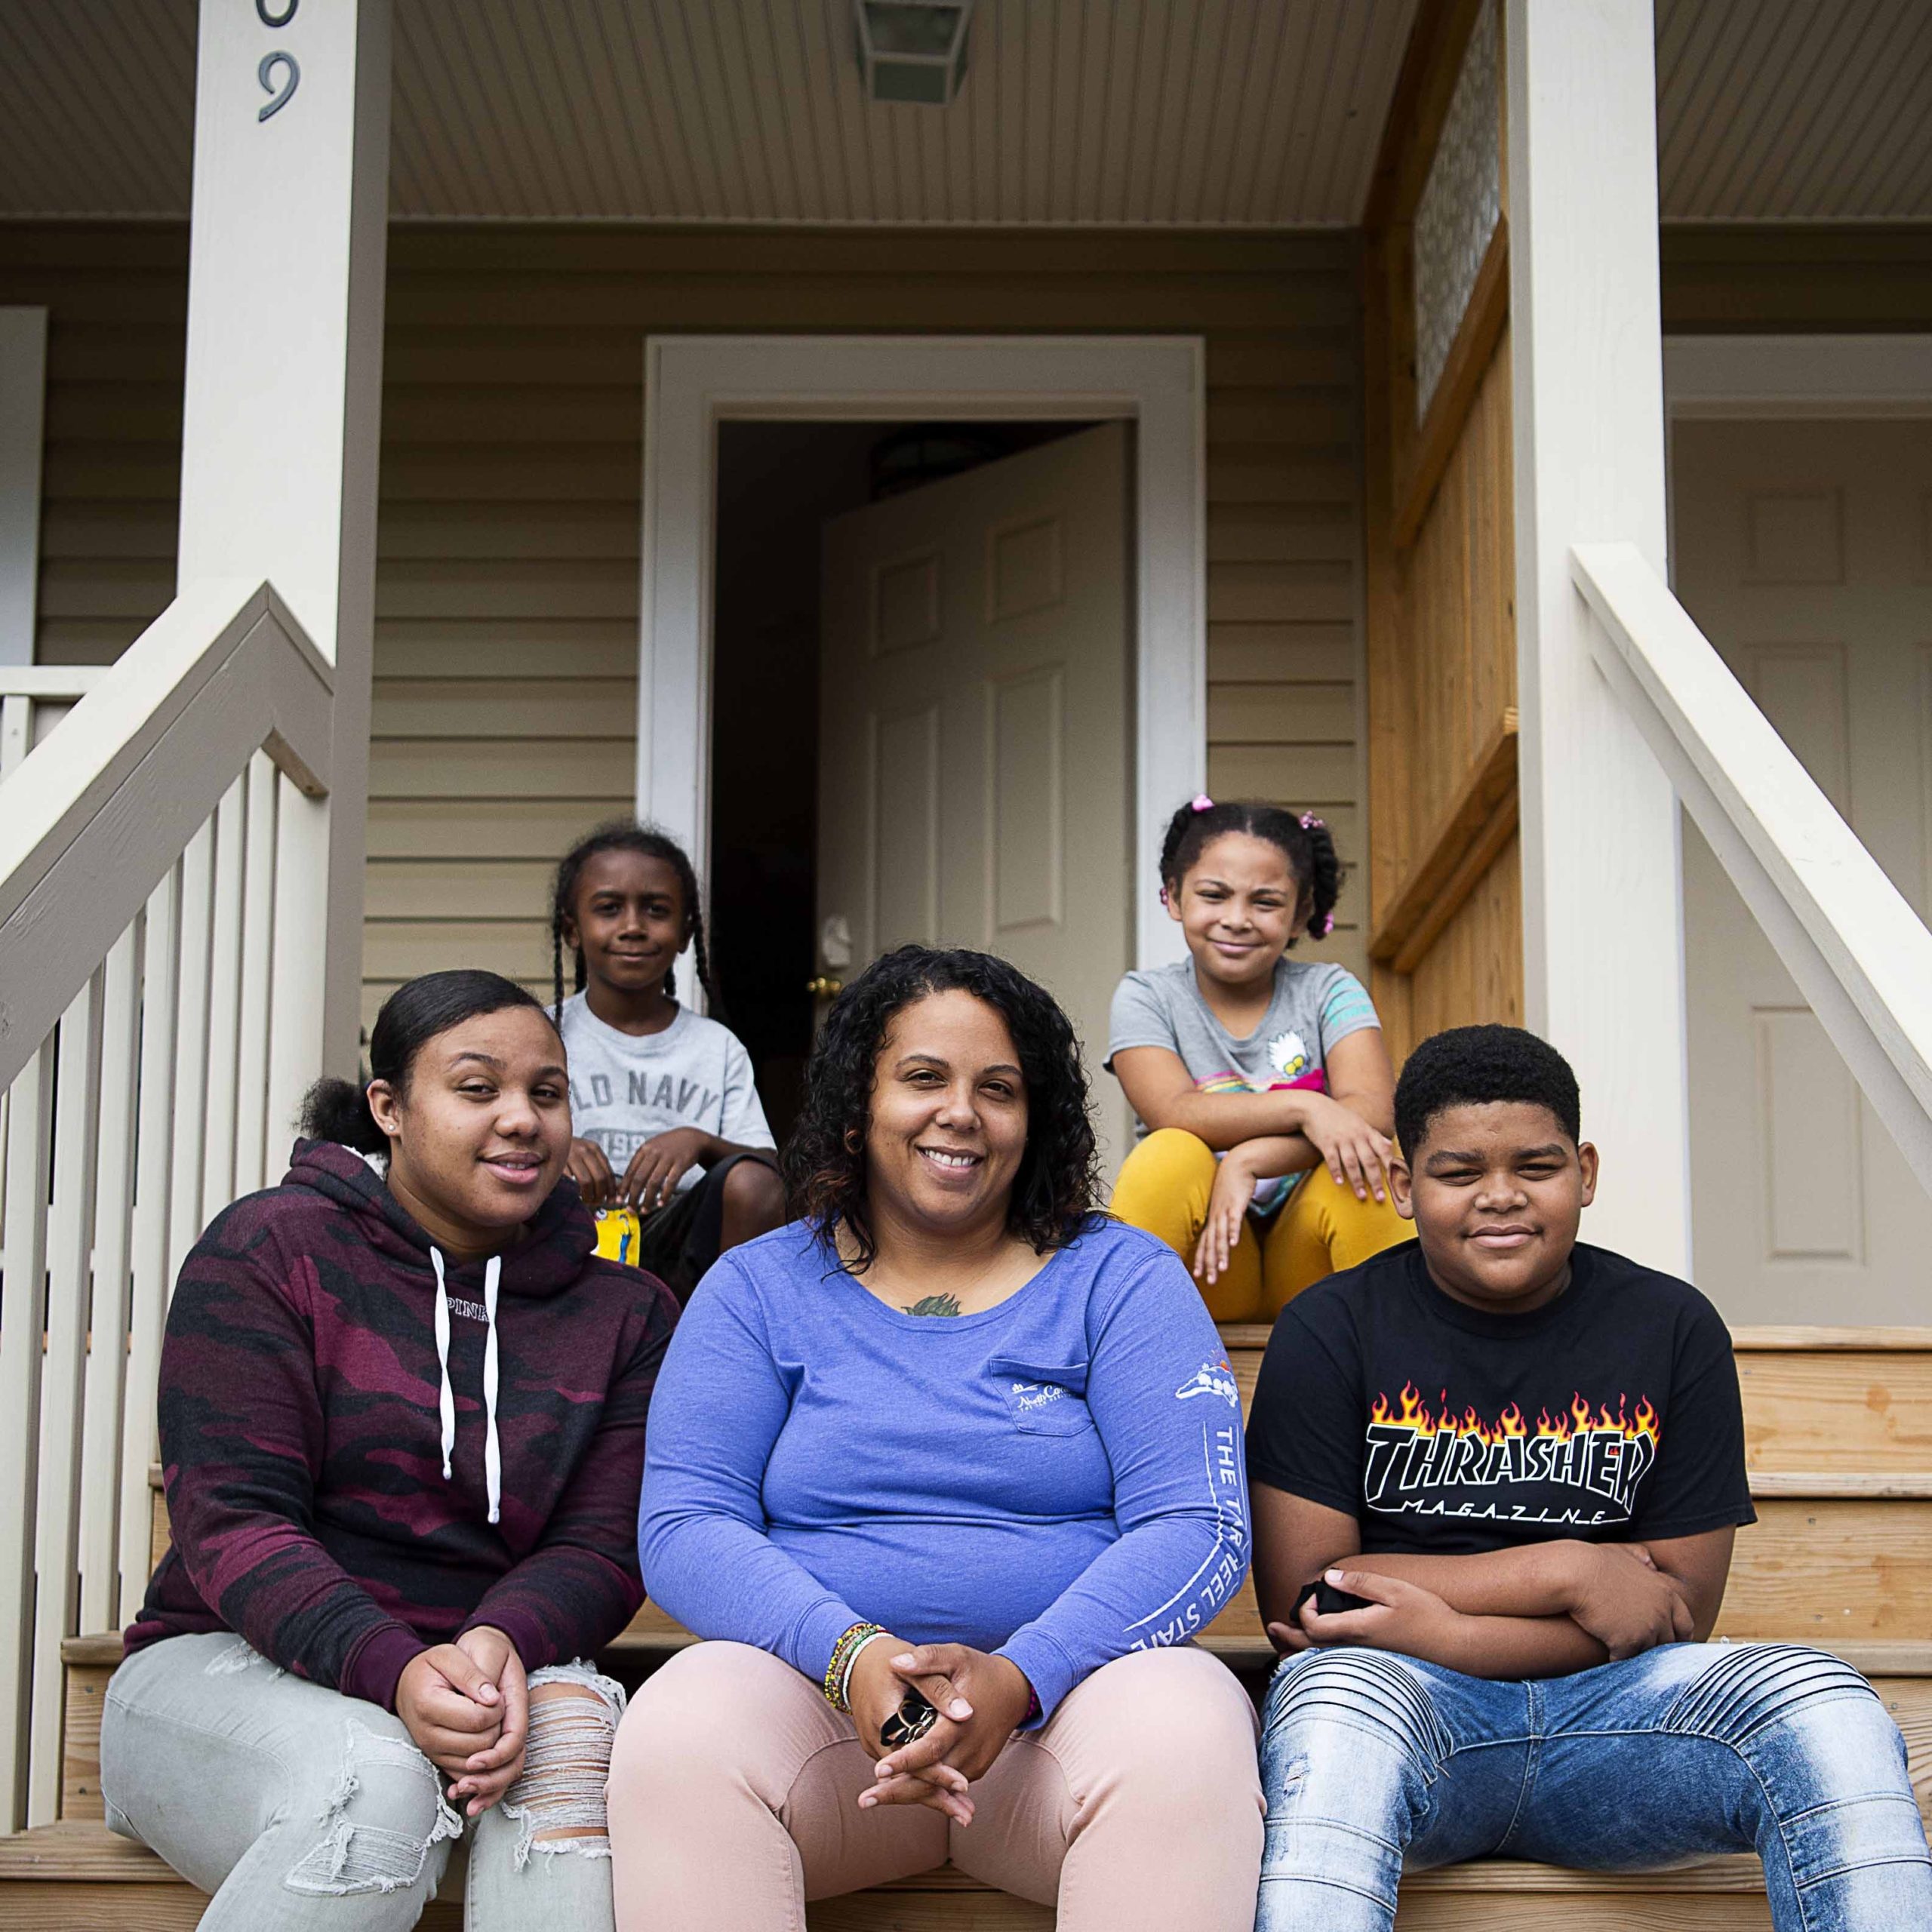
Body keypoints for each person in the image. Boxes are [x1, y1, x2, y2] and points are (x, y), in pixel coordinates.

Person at [605, 945, 1263, 1929]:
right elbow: (688, 1524)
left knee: (1192, 1718)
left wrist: (1022, 1677)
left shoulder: (1119, 1279)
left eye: (998, 1088)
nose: (961, 1112)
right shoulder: (758, 1288)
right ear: (858, 1102)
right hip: (828, 1732)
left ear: (1034, 1116)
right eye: (923, 1078)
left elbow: (1198, 1525)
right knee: (679, 1720)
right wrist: (853, 1657)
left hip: (1059, 1731)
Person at [1244, 1023, 1932, 1932]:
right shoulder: (1331, 1327)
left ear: (1587, 1173)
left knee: (1827, 1703)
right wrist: (1566, 1571)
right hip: (1403, 1723)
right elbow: (1310, 1604)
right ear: (1406, 1189)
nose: (1500, 1197)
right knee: (1330, 1702)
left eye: (1536, 1165)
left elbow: (1671, 1610)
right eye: (1458, 1173)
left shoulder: (1671, 1325)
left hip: (1619, 1732)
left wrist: (1437, 1618)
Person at [101, 970, 678, 1932]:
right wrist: (395, 1669)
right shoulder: (271, 1249)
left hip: (494, 1680)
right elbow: (235, 1522)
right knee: (378, 1782)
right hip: (228, 1669)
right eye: (477, 1087)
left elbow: (604, 1545)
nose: (522, 1119)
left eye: (546, 1091)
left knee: (575, 1743)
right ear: (390, 1108)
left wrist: (494, 1645)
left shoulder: (624, 1312)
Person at [1107, 795, 1408, 1321]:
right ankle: (1116, 1346)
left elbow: (1373, 1114)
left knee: (1372, 1165)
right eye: (1214, 896)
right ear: (1173, 896)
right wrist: (1307, 1109)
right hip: (1213, 1270)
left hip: (1315, 1274)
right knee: (1167, 1154)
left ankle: (1403, 1375)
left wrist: (1249, 1161)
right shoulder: (1147, 997)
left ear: (1301, 914)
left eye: (1265, 902)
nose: (1237, 919)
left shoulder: (1330, 990)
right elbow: (1174, 1111)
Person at [549, 818, 786, 1298]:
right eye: (609, 908)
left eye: (656, 910)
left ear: (684, 934)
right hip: (562, 1225)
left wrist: (698, 1141)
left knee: (754, 1183)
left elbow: (769, 1171)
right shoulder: (539, 1033)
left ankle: (726, 1344)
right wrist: (559, 1147)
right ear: (572, 930)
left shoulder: (715, 1047)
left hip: (682, 1241)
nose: (633, 927)